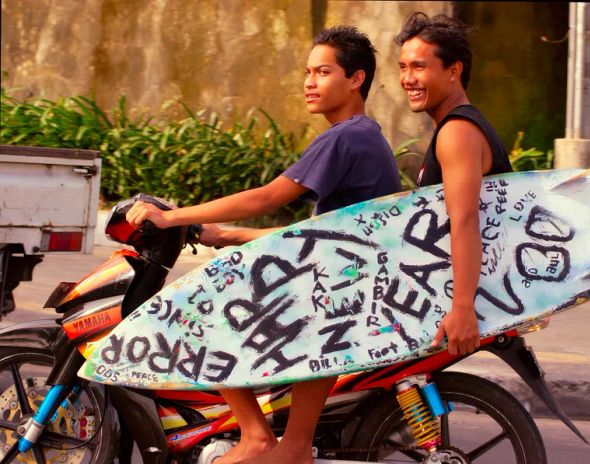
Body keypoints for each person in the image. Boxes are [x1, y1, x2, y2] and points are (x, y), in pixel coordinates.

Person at [126, 26, 401, 464]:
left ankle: (259, 438)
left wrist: (172, 216)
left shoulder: (345, 136)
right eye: (307, 72)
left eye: (323, 72)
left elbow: (268, 197)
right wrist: (226, 235)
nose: (309, 83)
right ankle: (272, 439)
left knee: (202, 314)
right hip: (347, 283)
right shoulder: (365, 134)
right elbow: (319, 234)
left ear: (356, 79)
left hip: (336, 295)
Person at [395, 12, 513, 356]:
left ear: (453, 70)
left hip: (455, 301)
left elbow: (464, 220)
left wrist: (462, 308)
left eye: (418, 67)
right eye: (402, 67)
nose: (407, 79)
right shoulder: (457, 126)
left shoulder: (457, 132)